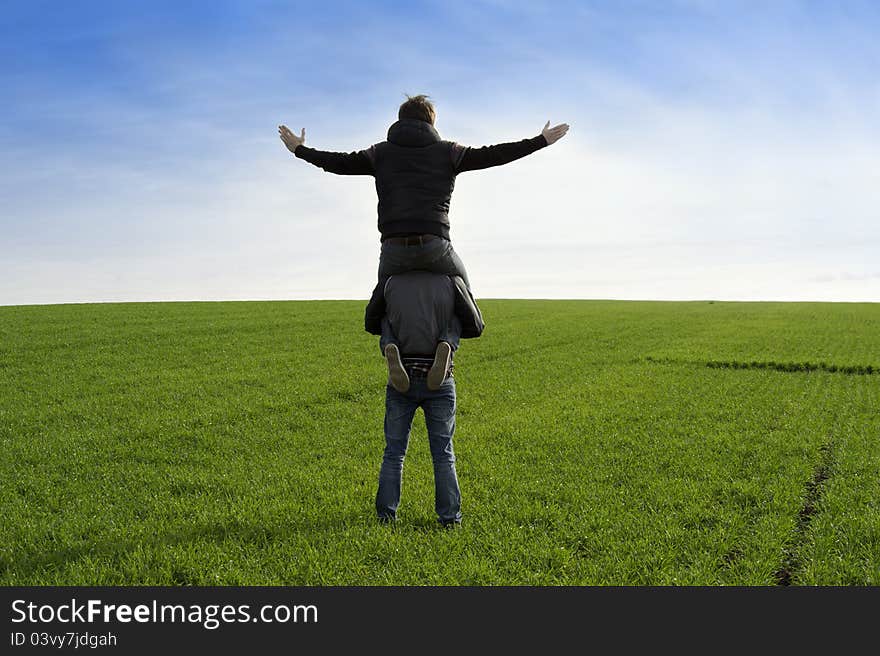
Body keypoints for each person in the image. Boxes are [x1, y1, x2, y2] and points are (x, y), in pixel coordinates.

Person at [278, 94, 569, 344]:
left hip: (393, 251)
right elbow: (495, 155)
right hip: (435, 247)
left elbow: (337, 163)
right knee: (465, 300)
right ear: (431, 122)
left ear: (400, 121)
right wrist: (540, 141)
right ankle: (448, 344)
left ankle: (389, 343)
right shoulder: (449, 152)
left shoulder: (379, 153)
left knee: (380, 308)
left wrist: (299, 150)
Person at [374, 270, 475, 527]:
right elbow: (467, 316)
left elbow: (374, 317)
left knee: (394, 453)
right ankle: (449, 519)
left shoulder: (392, 282)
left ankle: (386, 517)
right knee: (443, 454)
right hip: (438, 381)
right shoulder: (448, 281)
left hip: (402, 382)